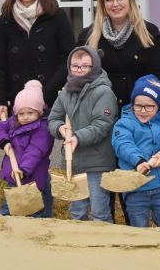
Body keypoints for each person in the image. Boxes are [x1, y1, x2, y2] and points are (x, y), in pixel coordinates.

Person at [78, 0, 160, 224]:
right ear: (102, 4)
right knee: (103, 175)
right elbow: (77, 73)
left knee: (132, 173)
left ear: (130, 0)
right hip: (101, 116)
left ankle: (134, 224)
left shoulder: (149, 32)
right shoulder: (89, 36)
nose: (115, 4)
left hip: (137, 117)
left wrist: (144, 103)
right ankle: (105, 225)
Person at [0, 0, 74, 119]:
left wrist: (45, 94)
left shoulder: (57, 16)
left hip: (49, 99)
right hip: (15, 101)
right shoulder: (5, 20)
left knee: (43, 142)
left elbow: (68, 59)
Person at [48, 45, 119, 222]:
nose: (79, 70)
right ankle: (78, 246)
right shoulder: (65, 92)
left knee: (99, 211)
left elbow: (103, 124)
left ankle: (102, 246)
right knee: (77, 211)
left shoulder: (103, 91)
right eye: (75, 66)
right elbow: (53, 118)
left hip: (97, 163)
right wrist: (59, 128)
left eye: (85, 66)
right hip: (73, 162)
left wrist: (78, 137)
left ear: (94, 67)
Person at [111, 75, 160, 227]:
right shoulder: (124, 124)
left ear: (158, 106)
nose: (143, 111)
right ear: (132, 104)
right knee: (139, 230)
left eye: (149, 106)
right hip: (136, 189)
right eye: (138, 105)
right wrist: (138, 161)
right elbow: (123, 144)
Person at [0, 80, 55, 218]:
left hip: (32, 177)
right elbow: (0, 129)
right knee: (10, 205)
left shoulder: (42, 129)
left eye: (30, 112)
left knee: (34, 209)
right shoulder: (13, 122)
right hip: (14, 175)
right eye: (21, 113)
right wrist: (4, 142)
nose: (26, 117)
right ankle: (5, 227)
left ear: (40, 112)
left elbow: (36, 151)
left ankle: (39, 227)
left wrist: (24, 169)